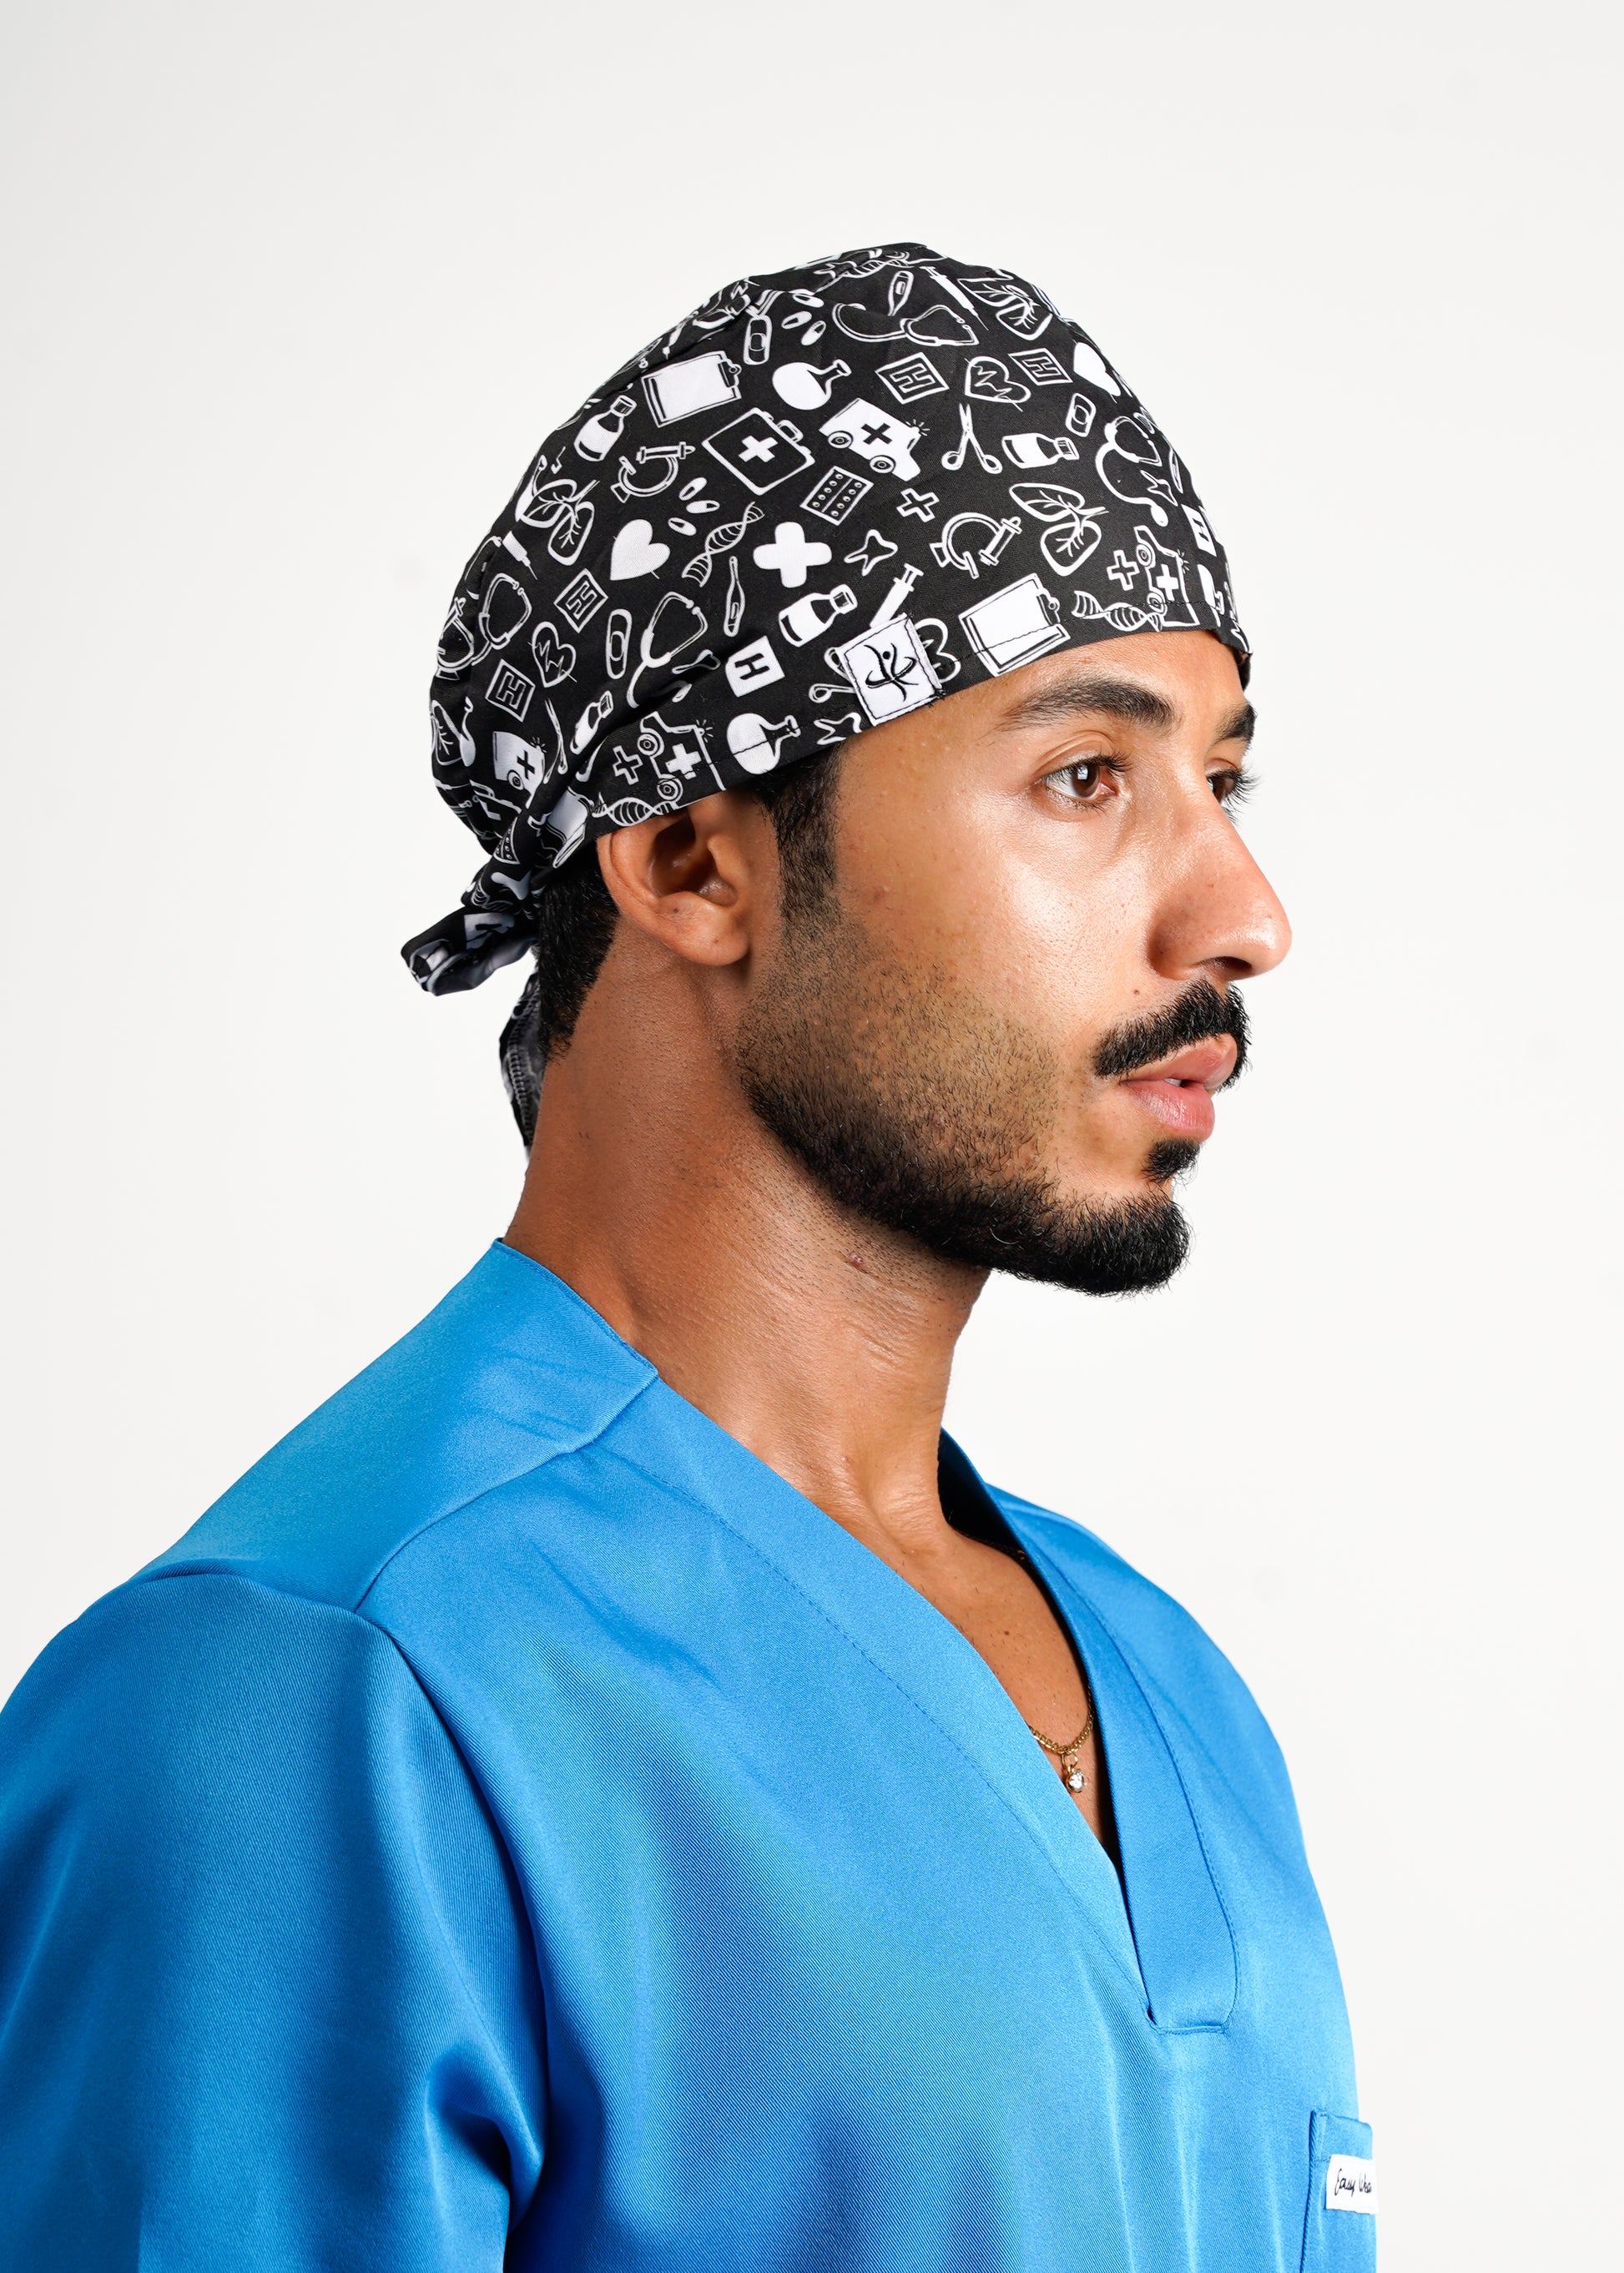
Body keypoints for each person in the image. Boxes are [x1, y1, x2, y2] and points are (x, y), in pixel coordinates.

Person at [0, 244, 1378, 2270]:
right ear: (689, 862)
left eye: (1220, 778)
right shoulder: (315, 1694)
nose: (1243, 912)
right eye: (1086, 778)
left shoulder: (1172, 1693)